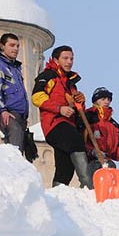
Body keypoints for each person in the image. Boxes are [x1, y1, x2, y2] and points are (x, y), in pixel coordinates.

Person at [31, 45, 92, 188]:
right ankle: (88, 184)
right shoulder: (48, 76)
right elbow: (36, 97)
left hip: (68, 124)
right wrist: (59, 109)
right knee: (76, 141)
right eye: (65, 58)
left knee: (66, 164)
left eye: (71, 58)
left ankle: (57, 194)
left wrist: (80, 103)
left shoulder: (70, 83)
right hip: (54, 124)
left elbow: (77, 111)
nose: (69, 61)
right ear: (55, 60)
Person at [0, 33, 31, 154]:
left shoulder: (15, 67)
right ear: (2, 46)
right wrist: (2, 111)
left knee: (19, 148)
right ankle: (14, 171)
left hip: (21, 115)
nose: (16, 49)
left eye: (17, 46)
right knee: (14, 149)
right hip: (9, 113)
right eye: (12, 45)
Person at [83, 87, 119, 173]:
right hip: (89, 160)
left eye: (108, 99)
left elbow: (116, 154)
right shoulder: (87, 117)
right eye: (103, 99)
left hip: (107, 161)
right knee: (97, 166)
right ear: (95, 101)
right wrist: (93, 152)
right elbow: (80, 140)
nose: (107, 102)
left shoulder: (114, 125)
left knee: (111, 166)